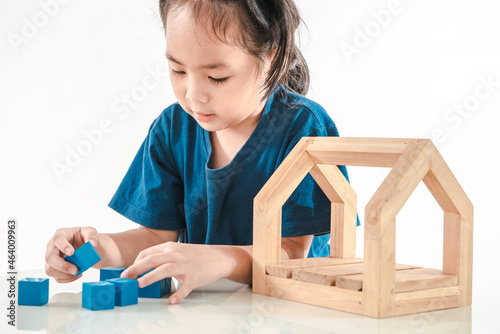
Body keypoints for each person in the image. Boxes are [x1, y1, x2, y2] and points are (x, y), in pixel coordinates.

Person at [44, 0, 354, 305]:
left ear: (271, 58)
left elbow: (293, 252)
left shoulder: (304, 127)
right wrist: (97, 248)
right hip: (202, 313)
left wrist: (219, 259)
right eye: (178, 70)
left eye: (217, 76)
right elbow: (156, 237)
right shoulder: (171, 129)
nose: (192, 95)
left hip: (290, 310)